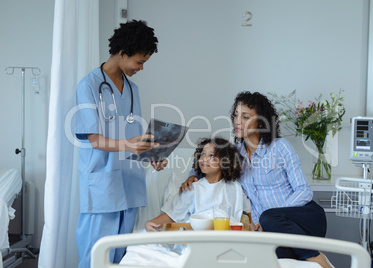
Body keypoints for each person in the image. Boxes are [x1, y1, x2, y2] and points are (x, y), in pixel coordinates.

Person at [181, 92, 334, 268]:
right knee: (268, 253)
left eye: (245, 116)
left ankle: (317, 257)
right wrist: (192, 175)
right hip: (272, 230)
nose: (237, 121)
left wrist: (273, 215)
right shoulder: (235, 153)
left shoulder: (279, 147)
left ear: (261, 122)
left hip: (303, 218)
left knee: (269, 217)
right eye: (236, 115)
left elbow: (304, 190)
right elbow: (210, 162)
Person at [74, 20, 167, 268]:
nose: (141, 68)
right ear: (122, 53)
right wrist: (129, 145)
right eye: (139, 62)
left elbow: (134, 137)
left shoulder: (133, 89)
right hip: (103, 182)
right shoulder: (89, 86)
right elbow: (94, 139)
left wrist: (153, 156)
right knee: (96, 256)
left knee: (122, 258)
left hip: (130, 182)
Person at [145, 137, 251, 232]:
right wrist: (150, 223)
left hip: (226, 238)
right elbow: (172, 215)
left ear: (225, 162)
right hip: (199, 238)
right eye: (203, 154)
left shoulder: (235, 187)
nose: (205, 158)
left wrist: (254, 228)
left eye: (212, 155)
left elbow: (249, 211)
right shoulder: (193, 189)